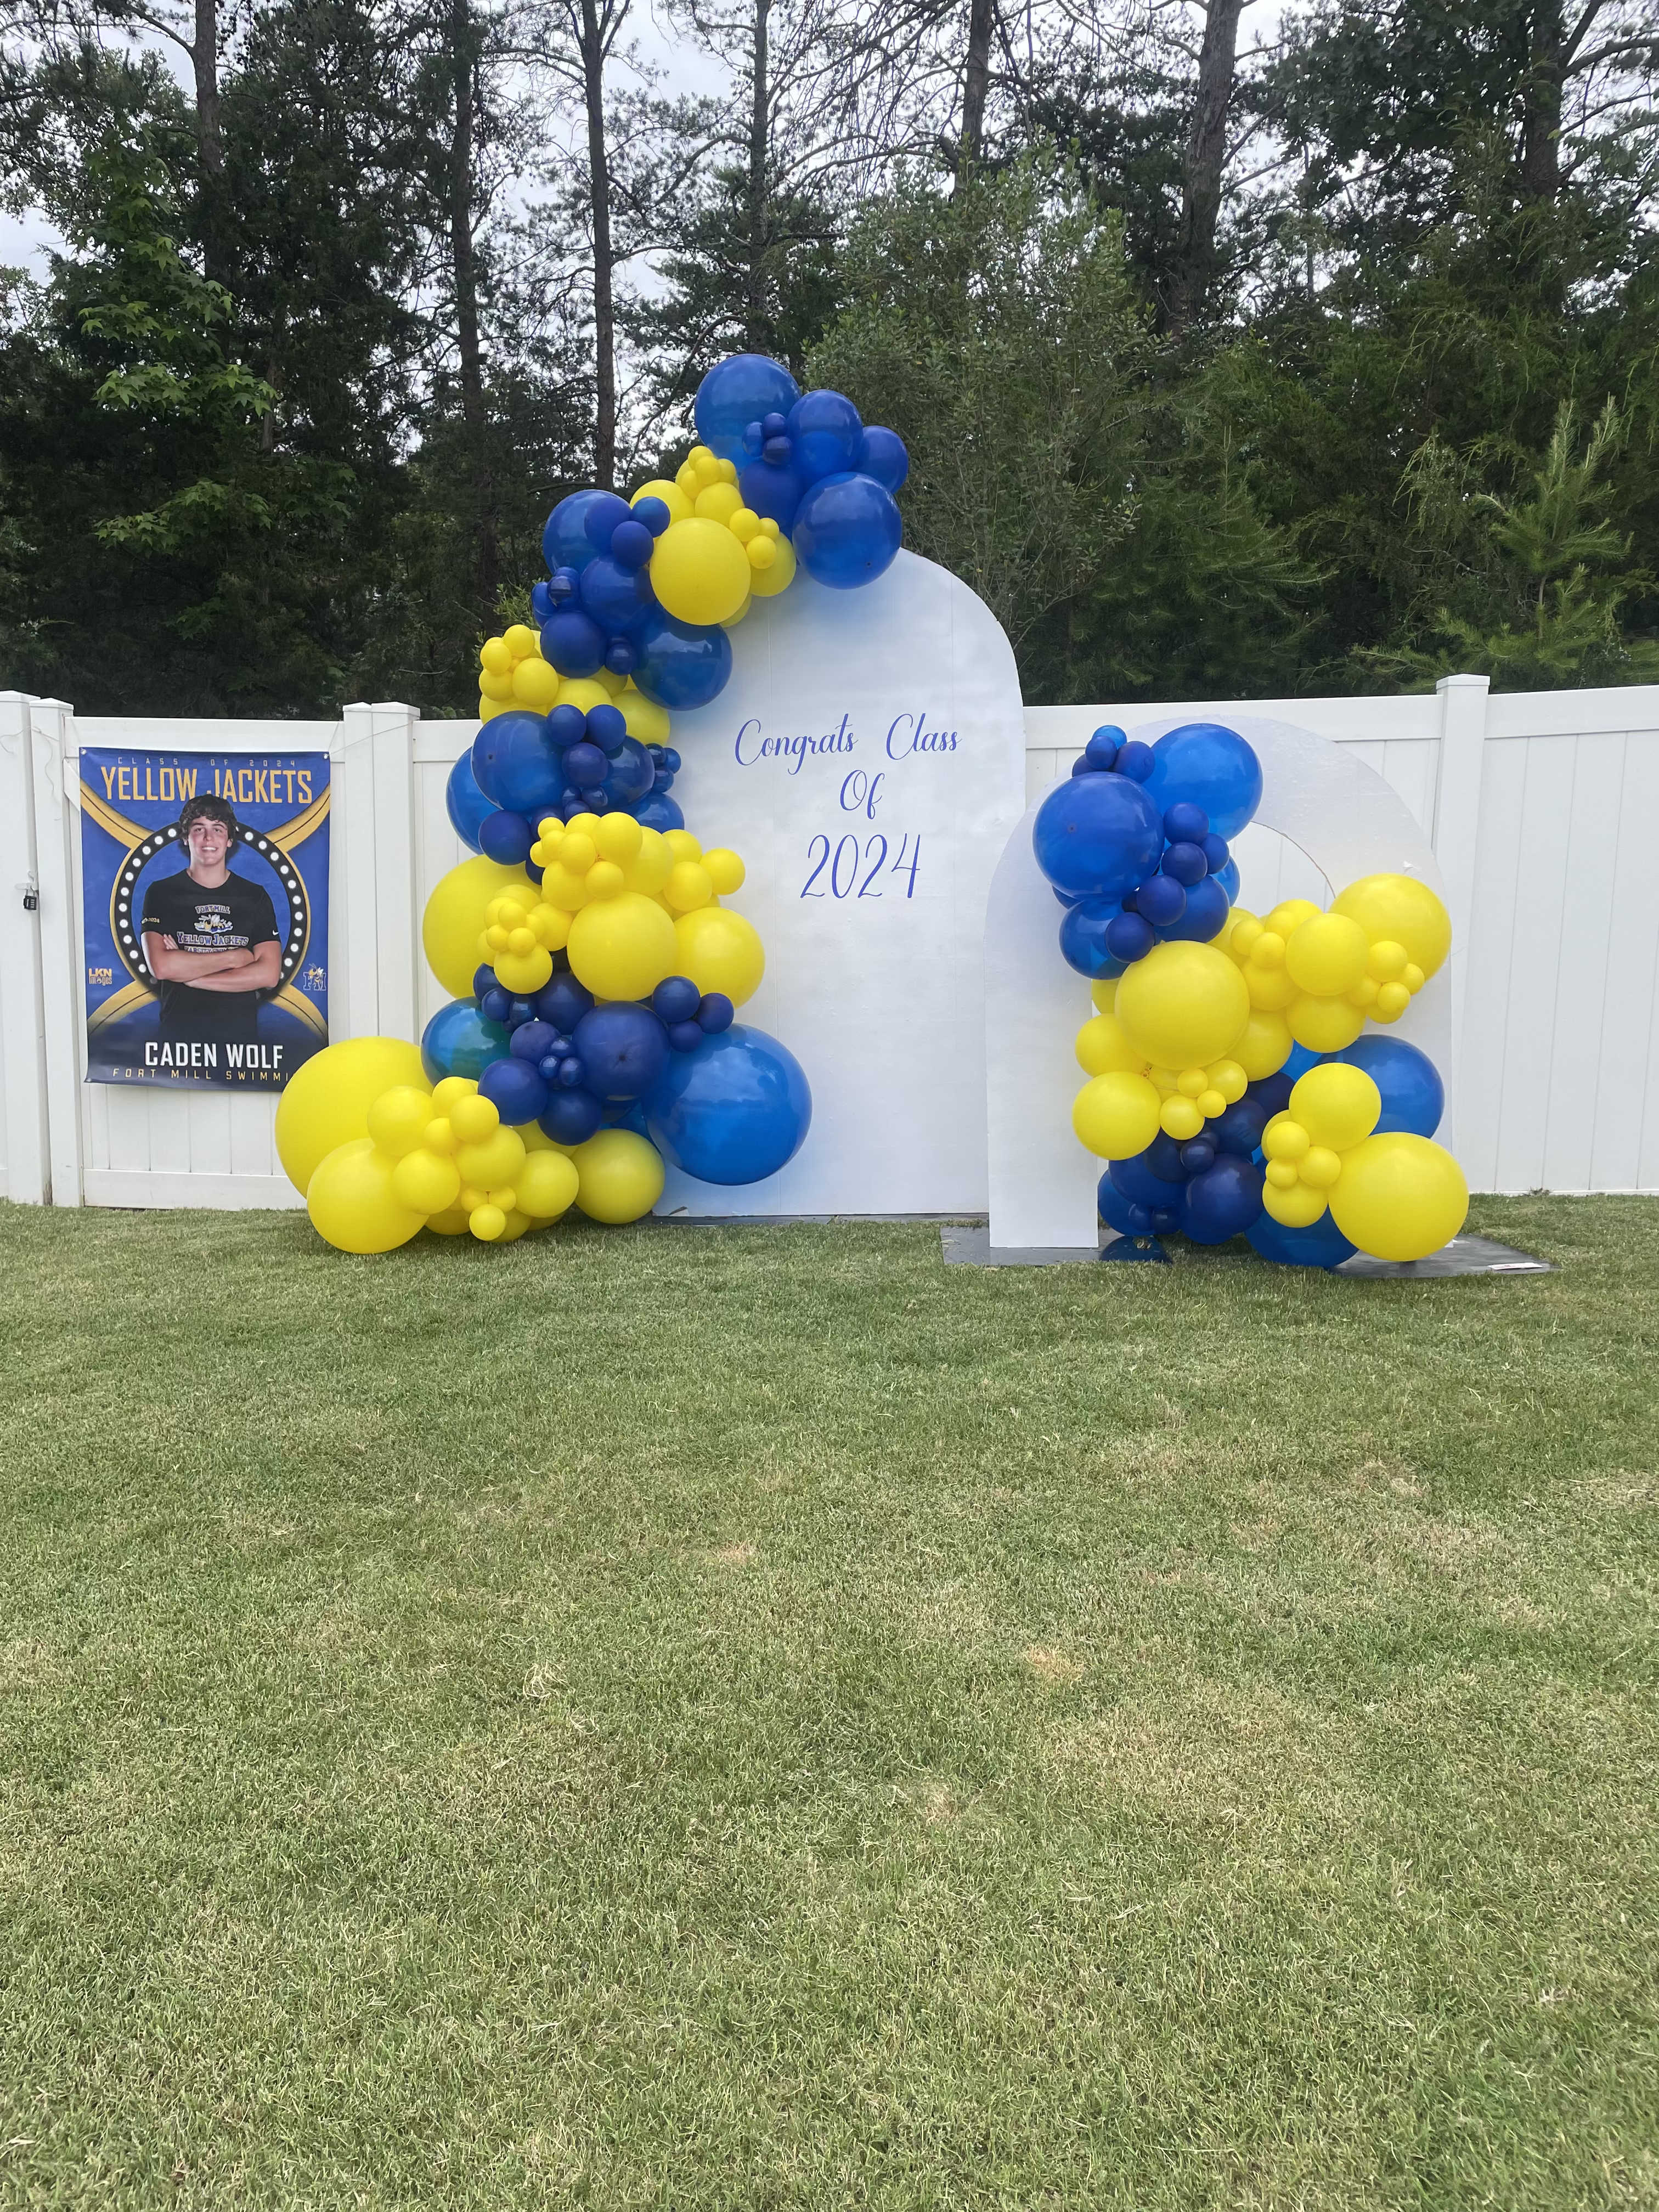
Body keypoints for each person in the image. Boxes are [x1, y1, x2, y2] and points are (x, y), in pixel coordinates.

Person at [140, 794, 282, 1045]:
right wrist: (234, 957)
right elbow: (162, 967)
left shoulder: (255, 896)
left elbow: (269, 974)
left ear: (229, 840)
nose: (208, 838)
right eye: (199, 829)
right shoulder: (162, 893)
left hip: (241, 1046)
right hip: (178, 1042)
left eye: (217, 829)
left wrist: (193, 977)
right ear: (186, 837)